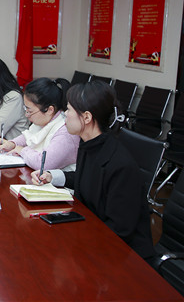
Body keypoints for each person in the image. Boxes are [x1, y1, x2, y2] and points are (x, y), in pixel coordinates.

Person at [32, 81, 155, 261]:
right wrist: (52, 177)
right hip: (91, 236)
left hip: (124, 256)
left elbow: (120, 230)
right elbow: (88, 178)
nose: (65, 114)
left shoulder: (120, 165)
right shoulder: (89, 144)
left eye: (69, 109)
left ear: (87, 117)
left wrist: (76, 245)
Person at [0, 77, 79, 171]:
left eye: (30, 111)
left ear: (49, 110)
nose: (26, 115)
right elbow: (29, 136)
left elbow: (43, 164)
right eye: (25, 109)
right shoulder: (45, 119)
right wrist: (12, 144)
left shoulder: (65, 132)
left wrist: (22, 150)